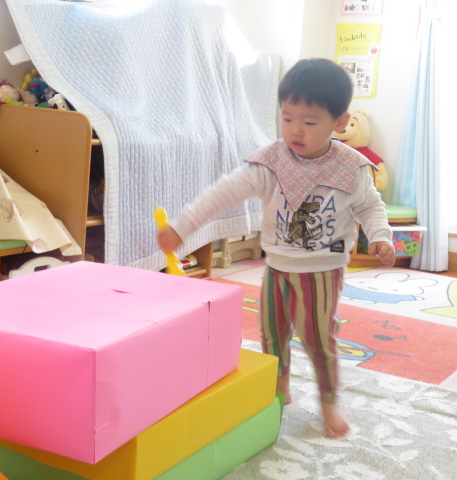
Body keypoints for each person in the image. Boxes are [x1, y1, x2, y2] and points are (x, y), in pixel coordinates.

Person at [157, 58, 395, 438]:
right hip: (278, 266)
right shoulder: (271, 161)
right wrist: (182, 226)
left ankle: (329, 401)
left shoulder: (350, 167)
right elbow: (223, 193)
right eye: (287, 118)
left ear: (339, 122)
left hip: (321, 269)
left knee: (319, 338)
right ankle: (279, 386)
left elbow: (370, 206)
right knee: (271, 332)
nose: (295, 130)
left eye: (309, 122)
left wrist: (380, 235)